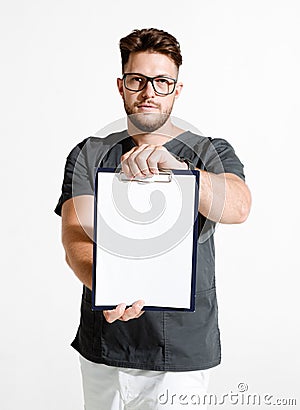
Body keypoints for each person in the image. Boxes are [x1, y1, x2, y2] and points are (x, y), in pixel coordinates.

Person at [55, 28, 251, 409]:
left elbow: (238, 207)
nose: (149, 92)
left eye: (162, 82)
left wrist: (181, 174)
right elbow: (75, 235)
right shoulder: (90, 153)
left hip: (179, 352)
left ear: (177, 90)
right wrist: (105, 284)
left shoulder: (210, 151)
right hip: (105, 345)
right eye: (137, 80)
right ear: (121, 86)